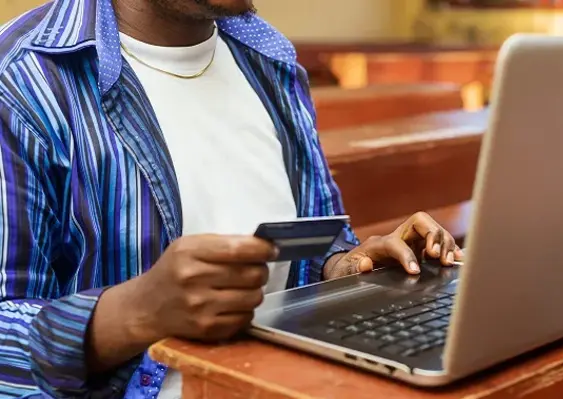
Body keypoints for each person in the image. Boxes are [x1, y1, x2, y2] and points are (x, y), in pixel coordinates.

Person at [0, 0, 463, 397]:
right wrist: (135, 312)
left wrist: (343, 270)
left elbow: (307, 240)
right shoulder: (23, 83)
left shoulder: (271, 64)